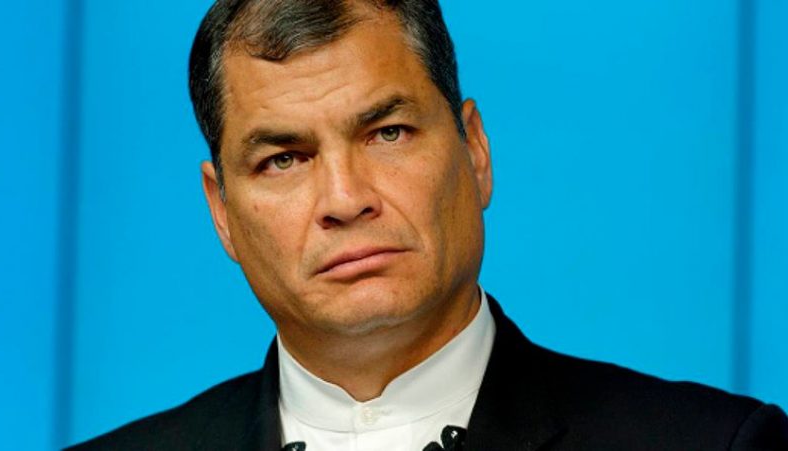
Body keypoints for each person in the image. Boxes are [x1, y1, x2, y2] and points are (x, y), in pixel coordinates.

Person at [67, 0, 788, 449]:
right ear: (222, 211)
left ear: (475, 151)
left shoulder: (712, 443)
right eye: (284, 159)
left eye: (388, 133)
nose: (344, 199)